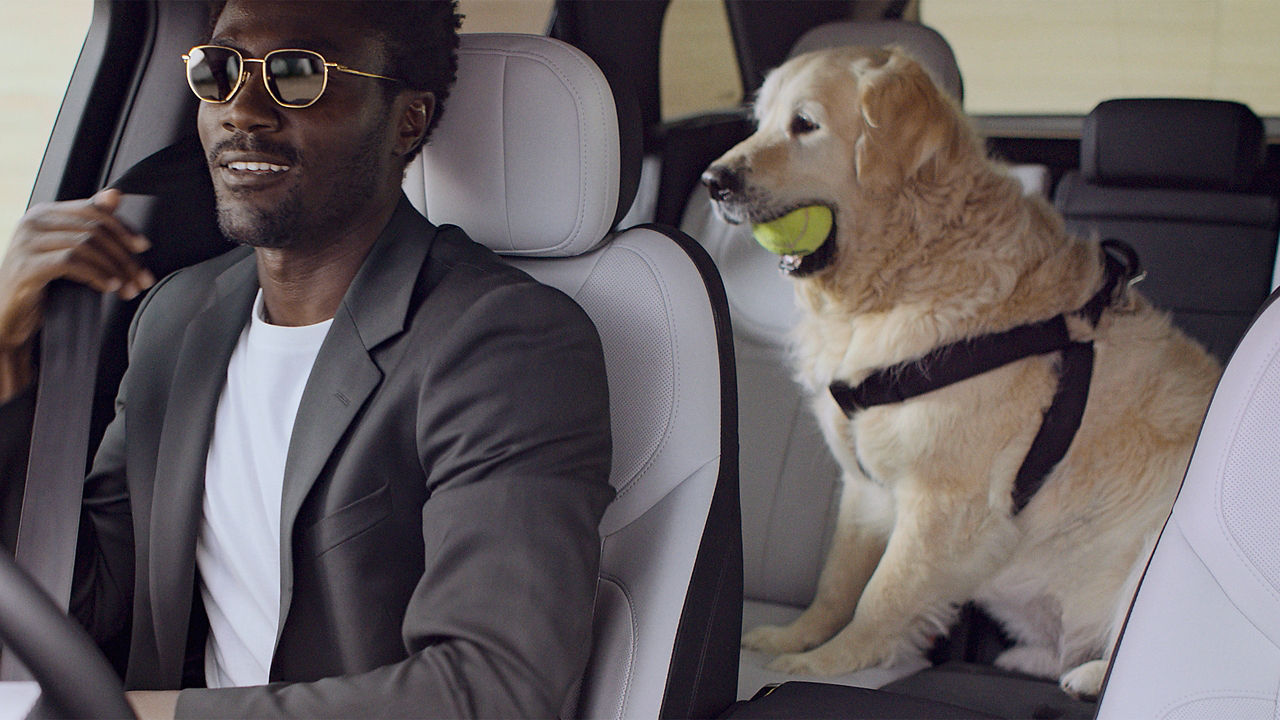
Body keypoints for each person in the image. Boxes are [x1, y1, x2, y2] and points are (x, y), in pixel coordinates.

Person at [0, 1, 614, 717]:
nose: (243, 111)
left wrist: (147, 715)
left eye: (298, 76)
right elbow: (77, 596)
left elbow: (492, 689)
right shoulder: (177, 320)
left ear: (406, 120)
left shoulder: (505, 342)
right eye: (220, 70)